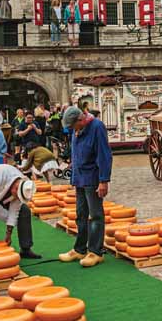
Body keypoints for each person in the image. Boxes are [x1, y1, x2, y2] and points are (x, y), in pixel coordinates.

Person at [58, 106, 112, 268]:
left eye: (72, 126)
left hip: (92, 177)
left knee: (95, 215)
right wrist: (73, 175)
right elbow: (75, 153)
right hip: (80, 177)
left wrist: (103, 180)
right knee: (81, 214)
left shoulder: (96, 127)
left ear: (80, 120)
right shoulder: (77, 130)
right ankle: (80, 248)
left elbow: (104, 155)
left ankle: (96, 252)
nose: (71, 130)